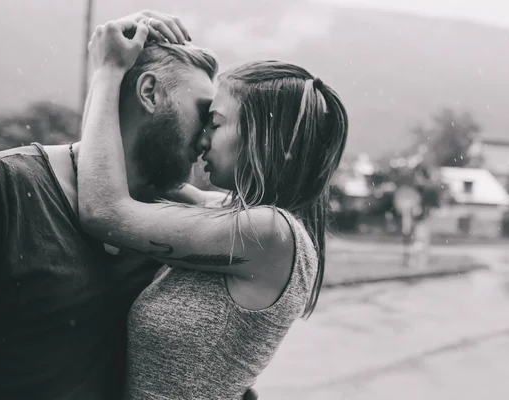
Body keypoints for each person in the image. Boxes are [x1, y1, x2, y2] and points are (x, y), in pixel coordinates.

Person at [0, 10, 257, 400]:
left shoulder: (168, 228)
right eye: (203, 114)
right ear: (150, 93)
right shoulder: (0, 183)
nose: (206, 139)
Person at [78, 18, 349, 399]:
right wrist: (138, 50)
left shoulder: (269, 232)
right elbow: (130, 183)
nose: (202, 139)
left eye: (216, 123)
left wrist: (107, 70)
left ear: (260, 137)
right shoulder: (236, 216)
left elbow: (104, 212)